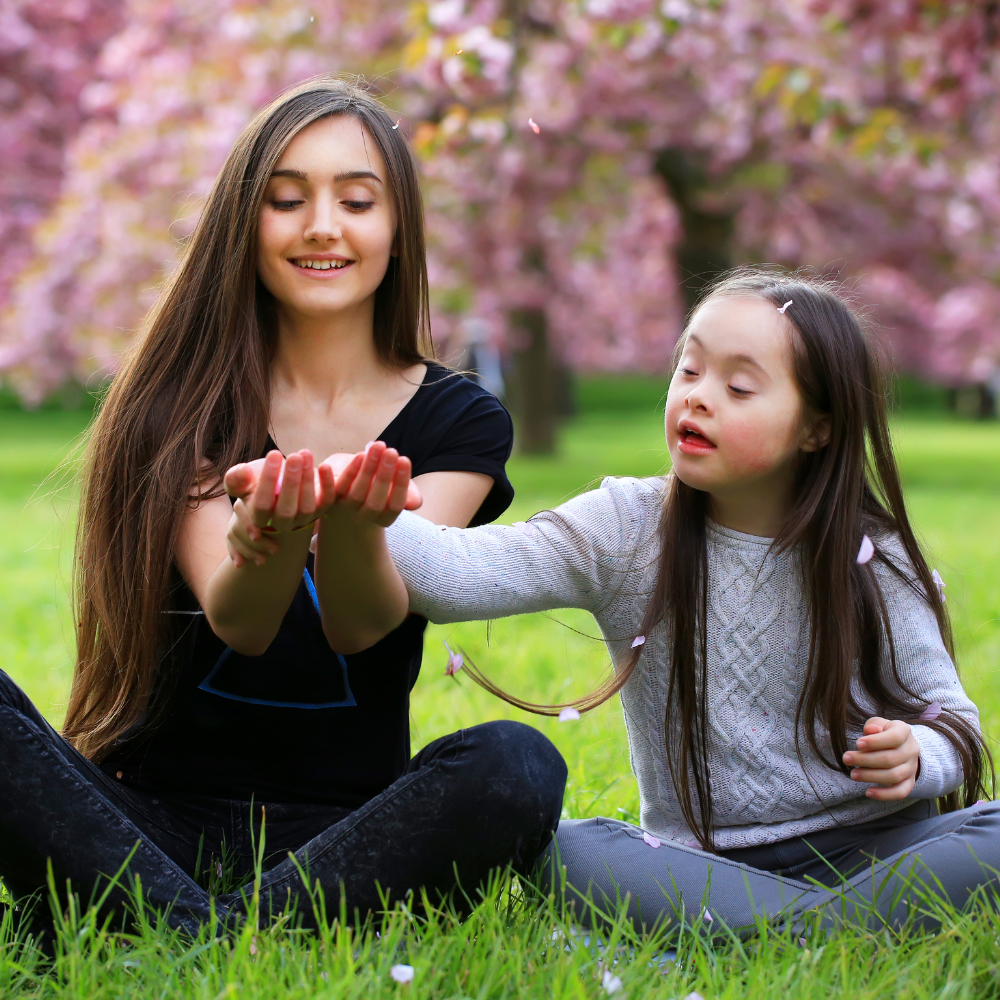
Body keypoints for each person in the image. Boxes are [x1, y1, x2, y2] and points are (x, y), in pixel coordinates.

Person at [254, 267, 998, 934]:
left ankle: (787, 928)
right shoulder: (628, 528)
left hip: (879, 847)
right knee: (566, 853)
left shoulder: (875, 558)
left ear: (818, 427)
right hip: (699, 867)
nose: (698, 397)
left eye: (738, 387)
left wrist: (918, 756)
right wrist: (344, 498)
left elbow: (953, 722)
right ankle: (846, 927)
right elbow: (460, 573)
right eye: (689, 370)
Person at [0, 78, 565, 936]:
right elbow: (241, 621)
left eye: (357, 200)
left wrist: (353, 528)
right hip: (149, 822)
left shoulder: (461, 421)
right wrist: (268, 536)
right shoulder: (183, 400)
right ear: (244, 224)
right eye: (287, 200)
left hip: (351, 838)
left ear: (397, 226)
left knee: (518, 764)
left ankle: (171, 930)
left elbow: (363, 623)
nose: (323, 227)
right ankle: (217, 929)